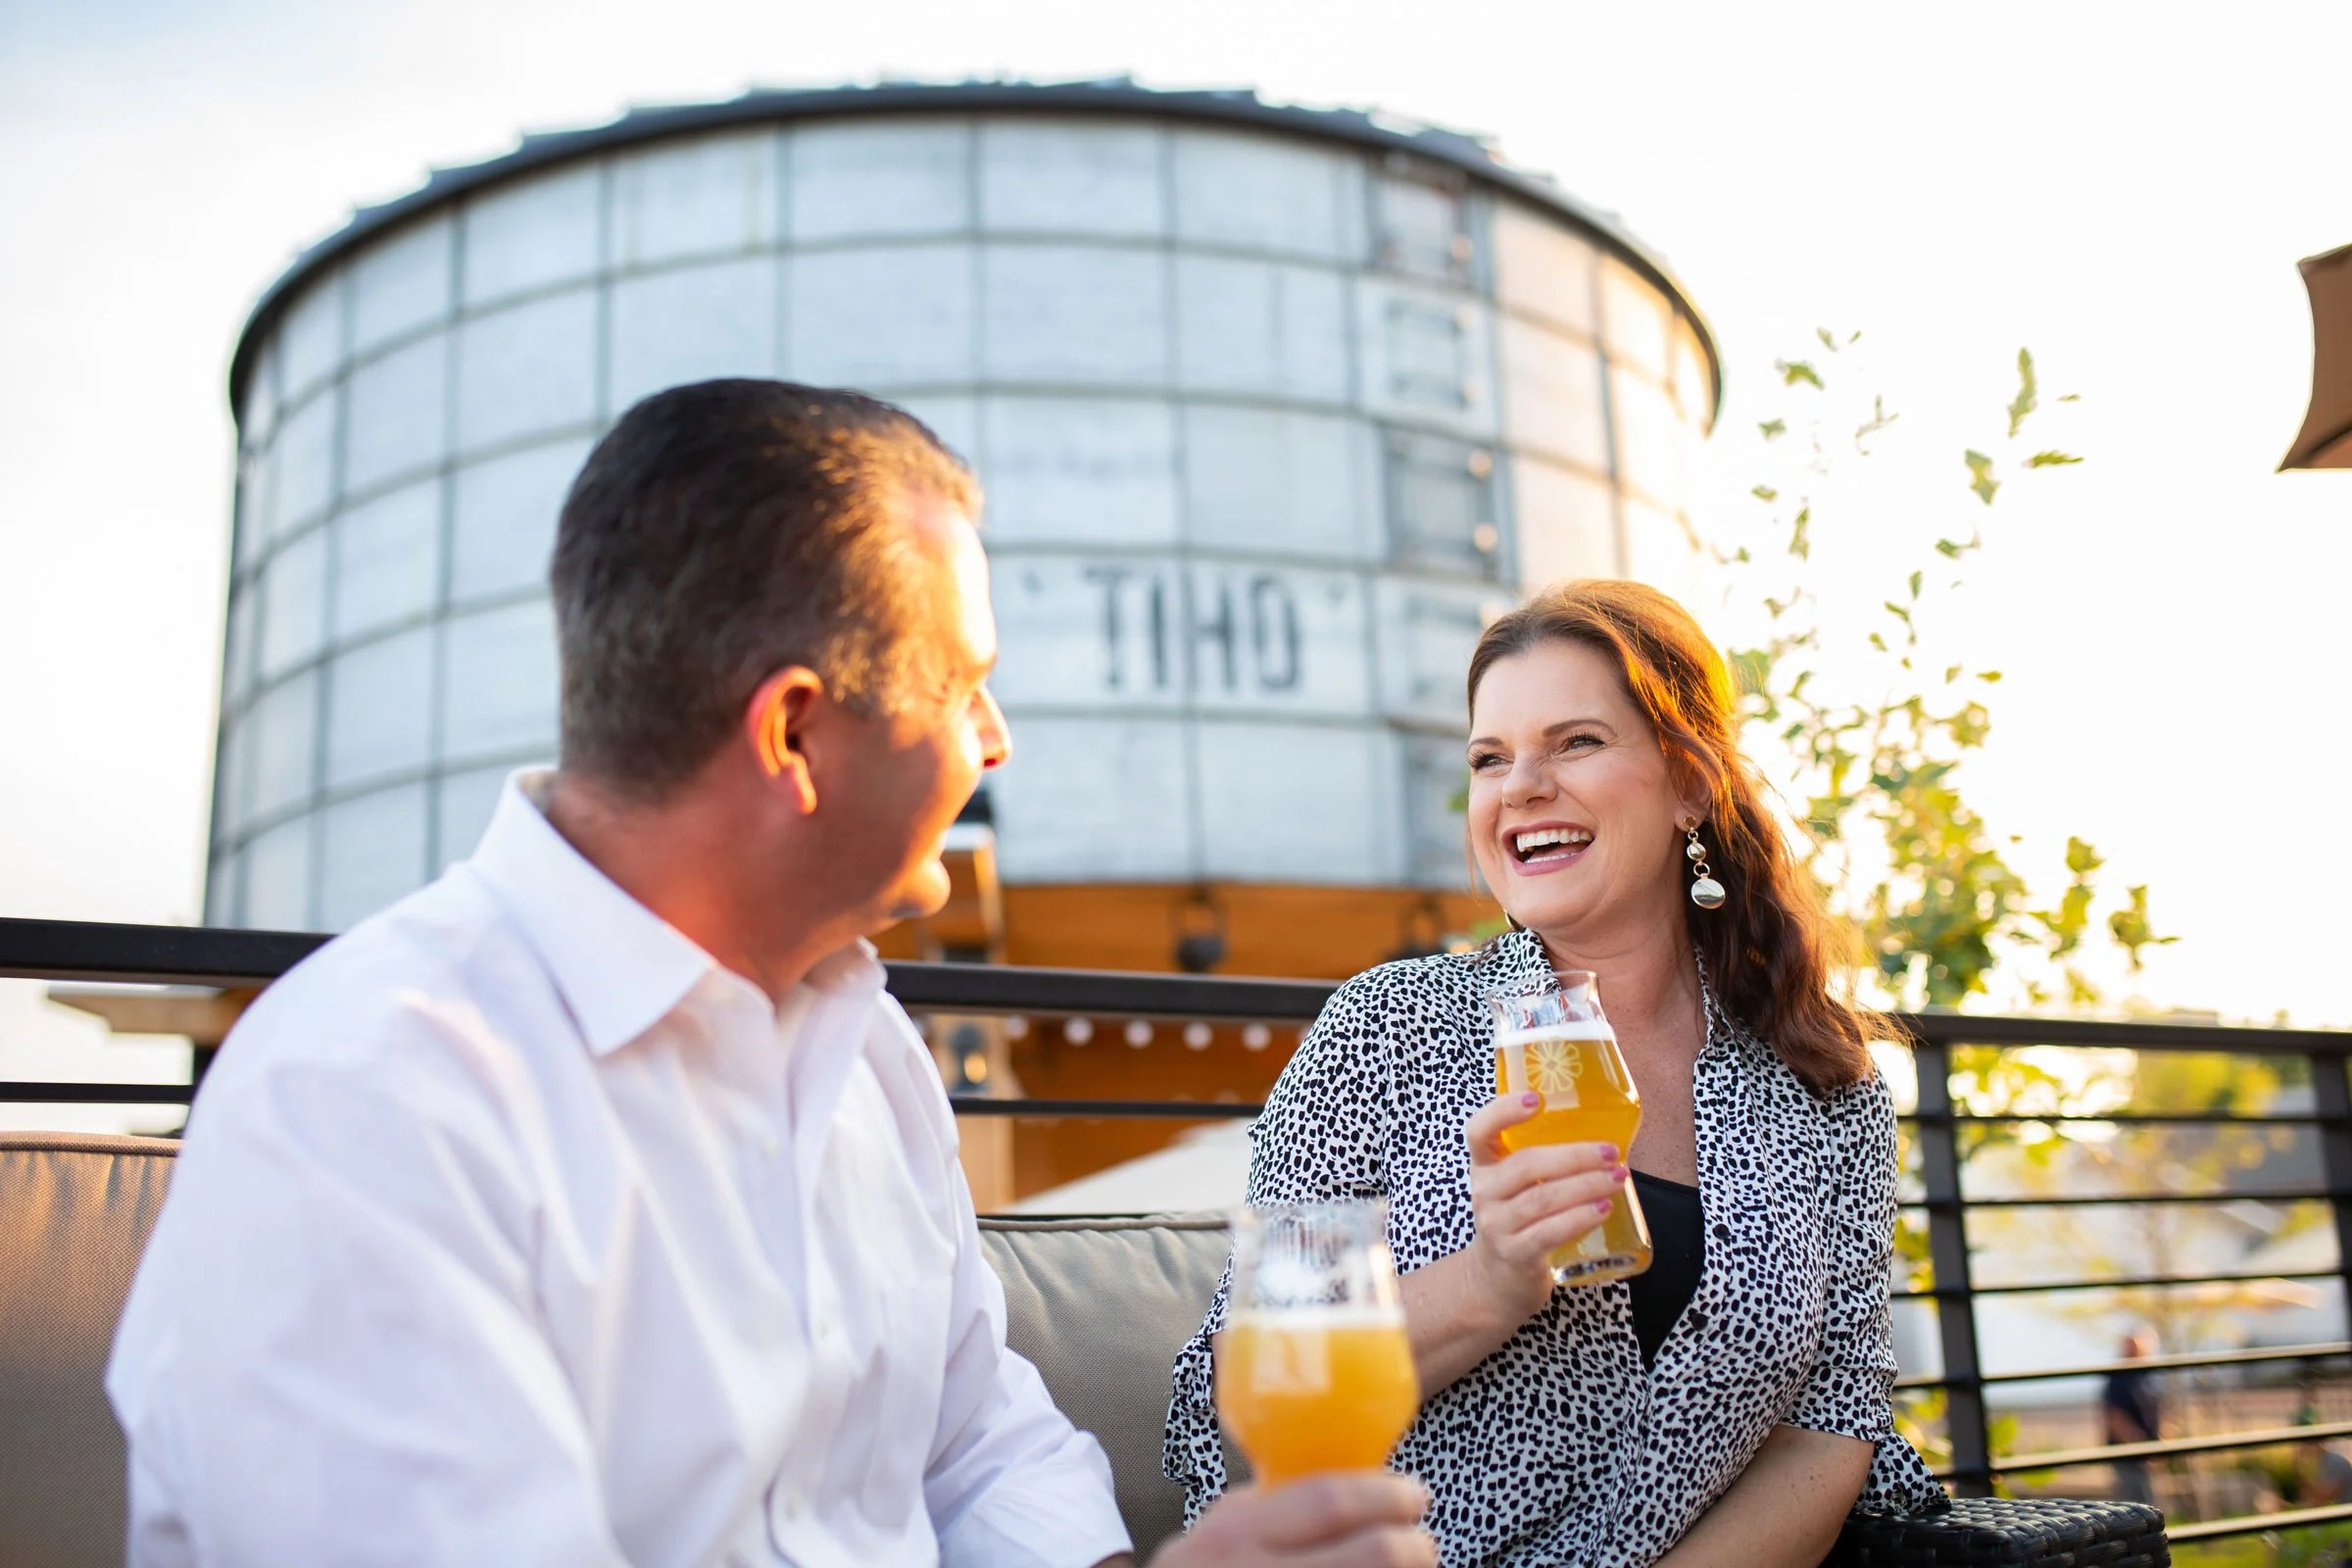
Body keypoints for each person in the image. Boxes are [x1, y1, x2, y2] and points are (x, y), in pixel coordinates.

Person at [108, 381, 1433, 1568]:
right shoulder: (368, 1105)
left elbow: (980, 1441)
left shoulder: (866, 1050)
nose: (997, 740)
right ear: (795, 731)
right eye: (965, 684)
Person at [1165, 579, 1947, 1566]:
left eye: (1575, 742)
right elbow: (1250, 1382)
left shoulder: (1828, 1083)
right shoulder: (1388, 1028)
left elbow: (1832, 1424)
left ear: (1691, 784)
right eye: (1490, 758)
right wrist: (1494, 1278)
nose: (1519, 787)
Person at [2101, 1330, 2163, 1506]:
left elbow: (2160, 1410)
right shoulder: (2119, 1378)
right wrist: (2141, 1448)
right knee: (2133, 1505)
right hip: (2128, 1457)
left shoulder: (2149, 1376)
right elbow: (2115, 1417)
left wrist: (2158, 1449)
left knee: (2148, 1502)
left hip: (2147, 1455)